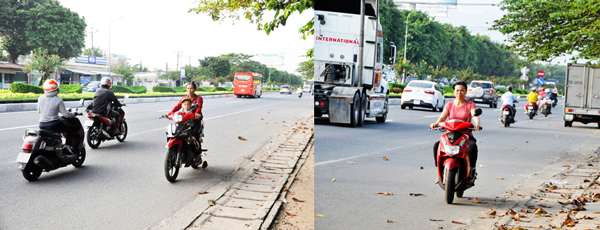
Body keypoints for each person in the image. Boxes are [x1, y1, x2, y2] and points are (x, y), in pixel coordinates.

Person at [429, 80, 481, 184]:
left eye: (462, 90)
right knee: (436, 146)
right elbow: (443, 117)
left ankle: (471, 171)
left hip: (465, 135)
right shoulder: (449, 105)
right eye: (457, 90)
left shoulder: (470, 104)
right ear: (454, 91)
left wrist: (477, 124)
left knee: (472, 146)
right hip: (451, 135)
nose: (459, 93)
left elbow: (475, 116)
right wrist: (436, 123)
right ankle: (440, 173)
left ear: (466, 92)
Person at [37, 79, 82, 155]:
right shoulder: (58, 100)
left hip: (42, 125)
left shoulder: (40, 98)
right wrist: (75, 113)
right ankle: (67, 147)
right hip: (54, 125)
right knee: (71, 128)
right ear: (56, 89)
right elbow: (66, 114)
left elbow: (39, 111)